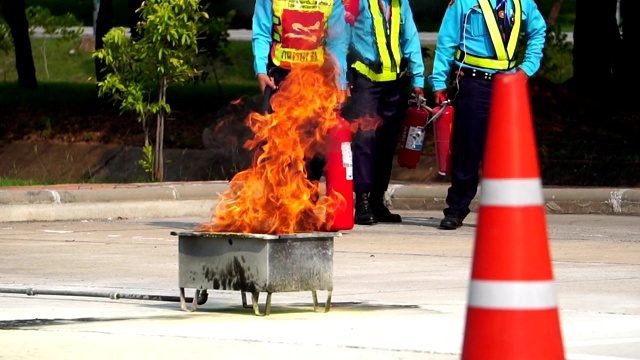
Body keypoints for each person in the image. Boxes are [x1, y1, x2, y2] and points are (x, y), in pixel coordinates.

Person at [428, 0, 546, 230]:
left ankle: (504, 210)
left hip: (509, 83)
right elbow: (446, 41)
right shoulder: (465, 2)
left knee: (505, 150)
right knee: (468, 147)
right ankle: (456, 208)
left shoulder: (523, 2)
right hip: (474, 82)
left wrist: (528, 67)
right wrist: (439, 81)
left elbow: (538, 30)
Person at [341, 0, 425, 225]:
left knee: (387, 143)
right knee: (365, 140)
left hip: (394, 84)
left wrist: (418, 79)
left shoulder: (400, 4)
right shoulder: (356, 3)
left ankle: (378, 200)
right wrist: (341, 78)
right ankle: (363, 201)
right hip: (366, 81)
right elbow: (341, 39)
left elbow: (410, 38)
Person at [252, 0, 350, 182]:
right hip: (281, 81)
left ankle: (308, 199)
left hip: (317, 82)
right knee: (276, 148)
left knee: (315, 149)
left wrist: (340, 82)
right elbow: (262, 32)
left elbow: (337, 42)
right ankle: (277, 202)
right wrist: (261, 69)